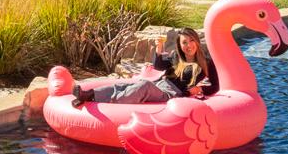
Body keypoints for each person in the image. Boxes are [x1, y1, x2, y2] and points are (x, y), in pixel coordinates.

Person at [72, 27, 218, 106]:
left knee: (144, 86)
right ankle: (89, 95)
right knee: (123, 85)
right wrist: (159, 49)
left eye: (191, 41)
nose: (188, 45)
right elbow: (158, 66)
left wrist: (200, 89)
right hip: (160, 84)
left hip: (172, 93)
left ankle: (105, 101)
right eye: (184, 42)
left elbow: (215, 86)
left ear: (197, 41)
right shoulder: (177, 56)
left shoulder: (206, 62)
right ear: (180, 45)